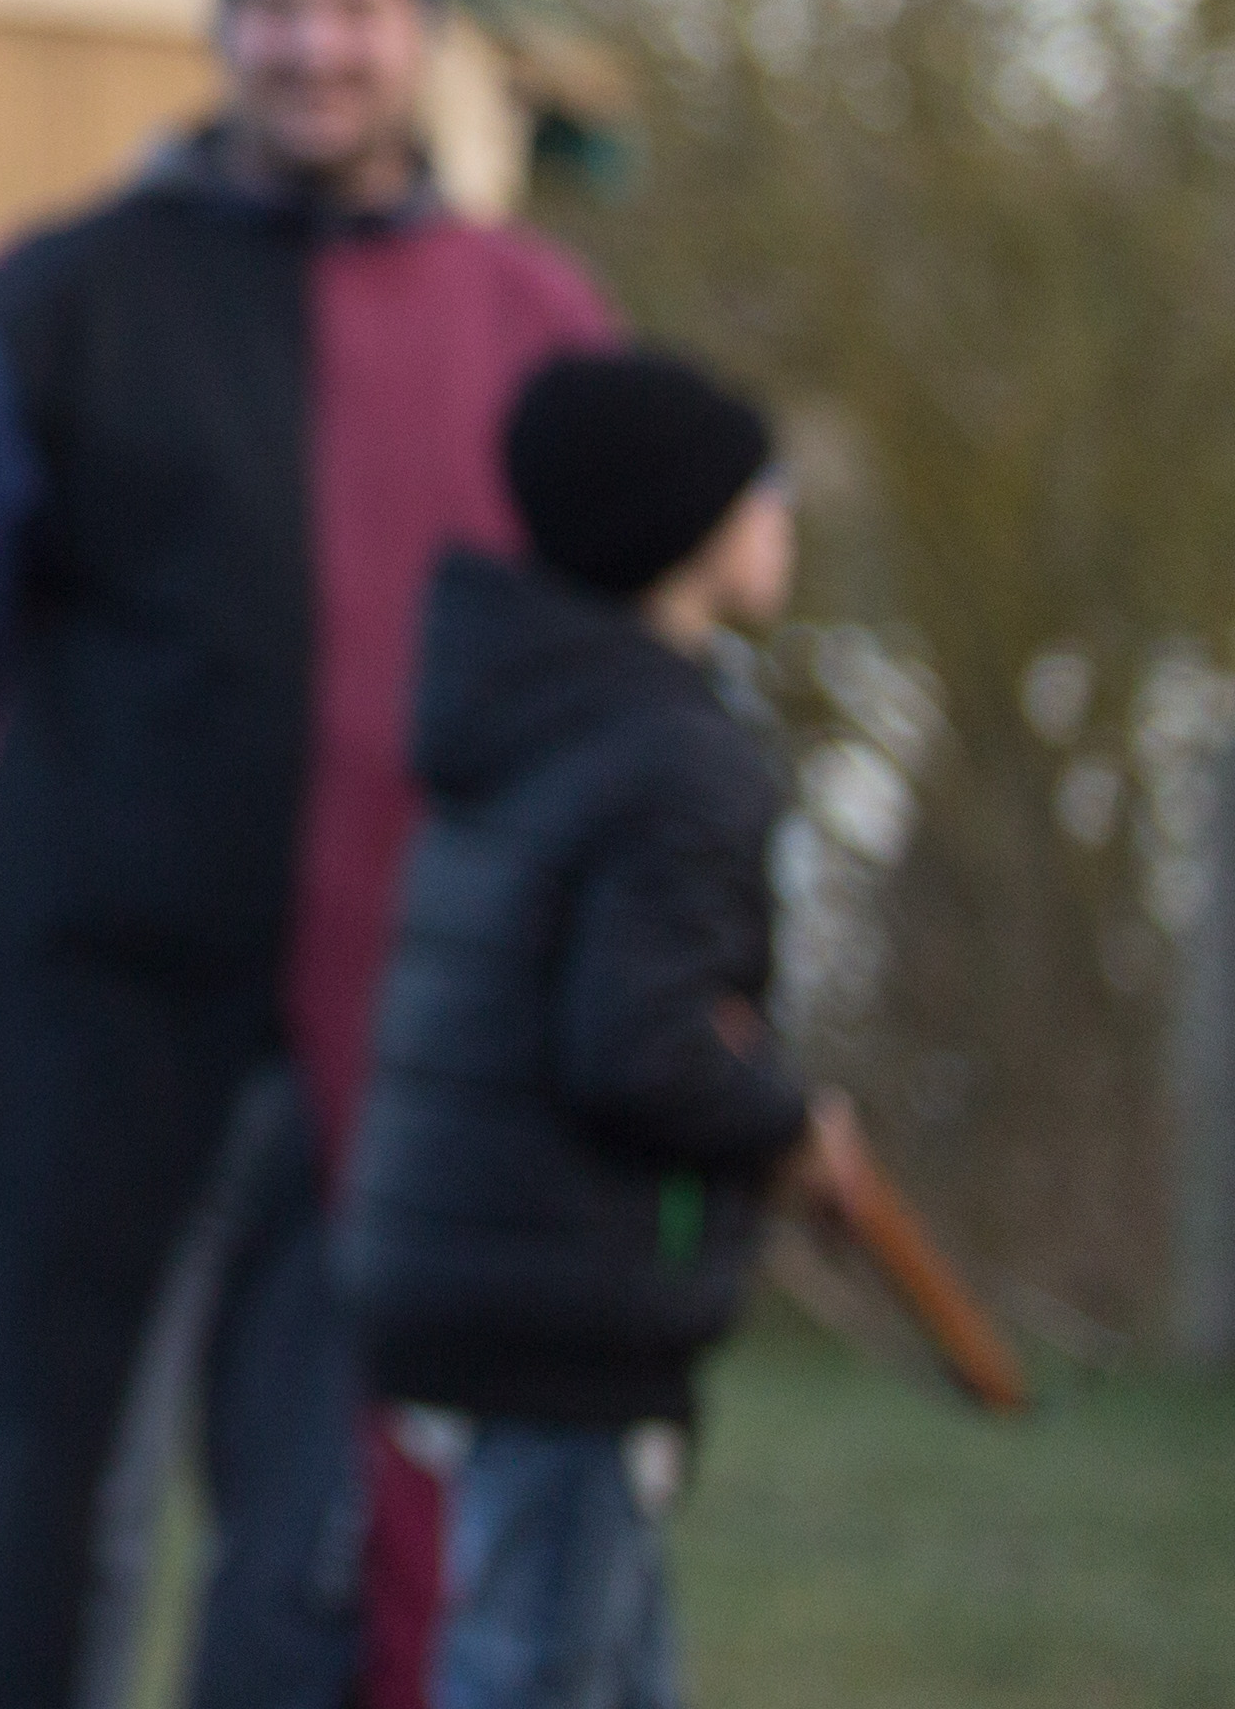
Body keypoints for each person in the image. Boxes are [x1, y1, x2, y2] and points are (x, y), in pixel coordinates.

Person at [0, 0, 616, 1709]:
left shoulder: (530, 321)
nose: (316, 48)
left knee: (332, 1490)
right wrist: (114, 798)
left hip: (403, 998)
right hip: (99, 993)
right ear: (223, 28)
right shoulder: (48, 303)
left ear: (419, 35)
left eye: (356, 9)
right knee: (50, 1454)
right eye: (279, 7)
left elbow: (601, 641)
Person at [342, 349, 831, 1709]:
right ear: (693, 529)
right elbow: (642, 1047)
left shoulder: (539, 712)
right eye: (768, 487)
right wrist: (789, 1125)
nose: (785, 515)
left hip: (483, 1262)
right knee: (539, 1667)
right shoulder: (669, 758)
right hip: (566, 1299)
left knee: (609, 1667)